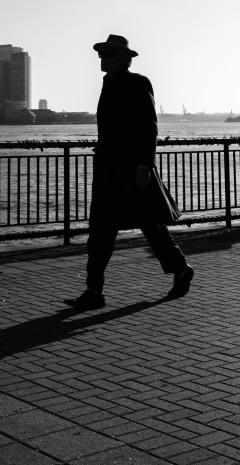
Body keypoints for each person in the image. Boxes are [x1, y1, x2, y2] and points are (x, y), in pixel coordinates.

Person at [64, 34, 193, 312]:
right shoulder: (109, 83)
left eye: (108, 54)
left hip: (131, 169)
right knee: (100, 230)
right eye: (101, 54)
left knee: (151, 225)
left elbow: (149, 127)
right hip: (109, 170)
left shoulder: (137, 82)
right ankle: (93, 290)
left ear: (124, 58)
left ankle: (181, 269)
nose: (102, 58)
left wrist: (144, 167)